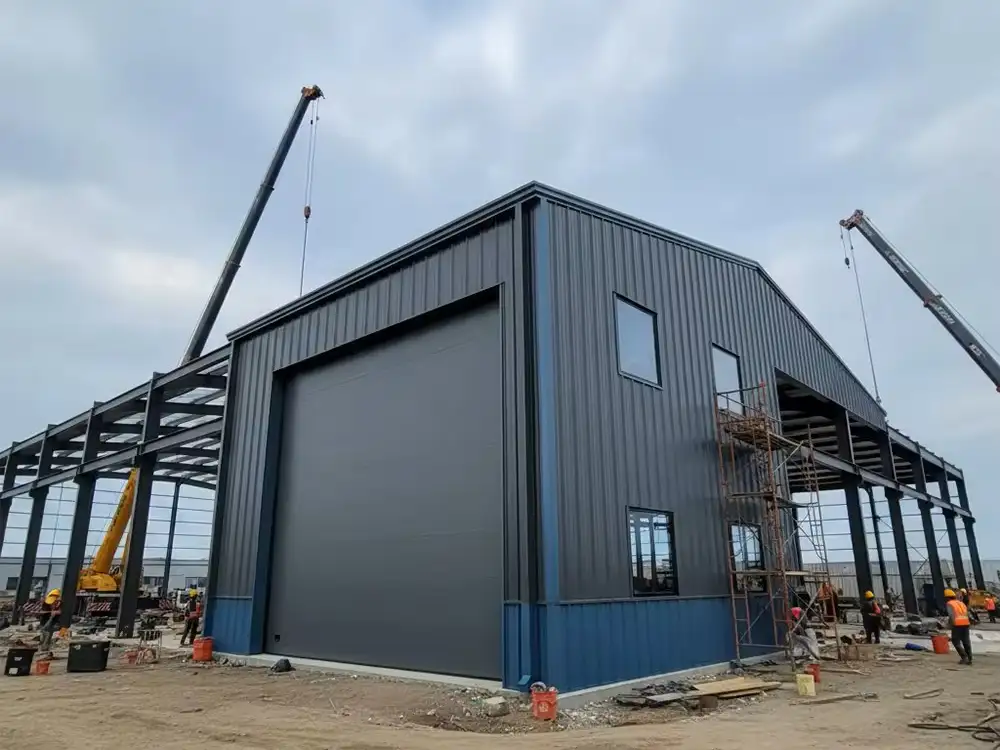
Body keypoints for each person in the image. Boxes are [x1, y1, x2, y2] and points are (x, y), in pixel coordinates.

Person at [945, 588, 972, 665]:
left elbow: (951, 615)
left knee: (955, 641)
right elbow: (967, 613)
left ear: (947, 597)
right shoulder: (961, 603)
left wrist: (950, 625)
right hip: (966, 623)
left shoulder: (950, 603)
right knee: (966, 641)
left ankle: (964, 657)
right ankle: (970, 658)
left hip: (957, 624)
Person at [37, 588, 61, 652]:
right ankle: (44, 648)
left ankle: (46, 647)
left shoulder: (60, 604)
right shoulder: (45, 605)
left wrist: (57, 612)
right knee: (45, 633)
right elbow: (41, 614)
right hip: (46, 623)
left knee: (49, 633)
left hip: (54, 624)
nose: (52, 604)